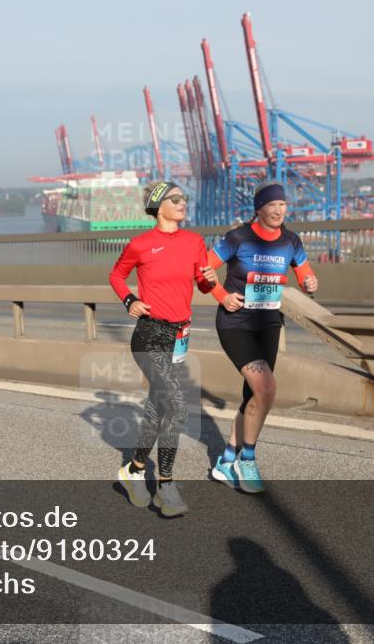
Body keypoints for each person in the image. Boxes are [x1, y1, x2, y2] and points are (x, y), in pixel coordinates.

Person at [109, 181, 217, 517]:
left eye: (184, 197)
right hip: (149, 334)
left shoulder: (195, 242)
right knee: (179, 407)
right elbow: (116, 274)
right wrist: (129, 299)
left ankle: (134, 469)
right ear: (159, 207)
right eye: (175, 198)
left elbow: (200, 283)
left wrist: (210, 279)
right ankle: (166, 486)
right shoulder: (141, 244)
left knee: (159, 407)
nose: (183, 202)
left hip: (180, 335)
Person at [206, 181, 318, 493]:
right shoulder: (238, 237)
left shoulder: (291, 241)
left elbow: (305, 275)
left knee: (254, 395)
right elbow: (201, 267)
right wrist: (221, 295)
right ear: (259, 208)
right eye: (273, 205)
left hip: (268, 324)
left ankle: (226, 459)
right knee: (266, 386)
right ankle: (248, 458)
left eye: (283, 204)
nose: (280, 210)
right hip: (236, 323)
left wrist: (310, 283)